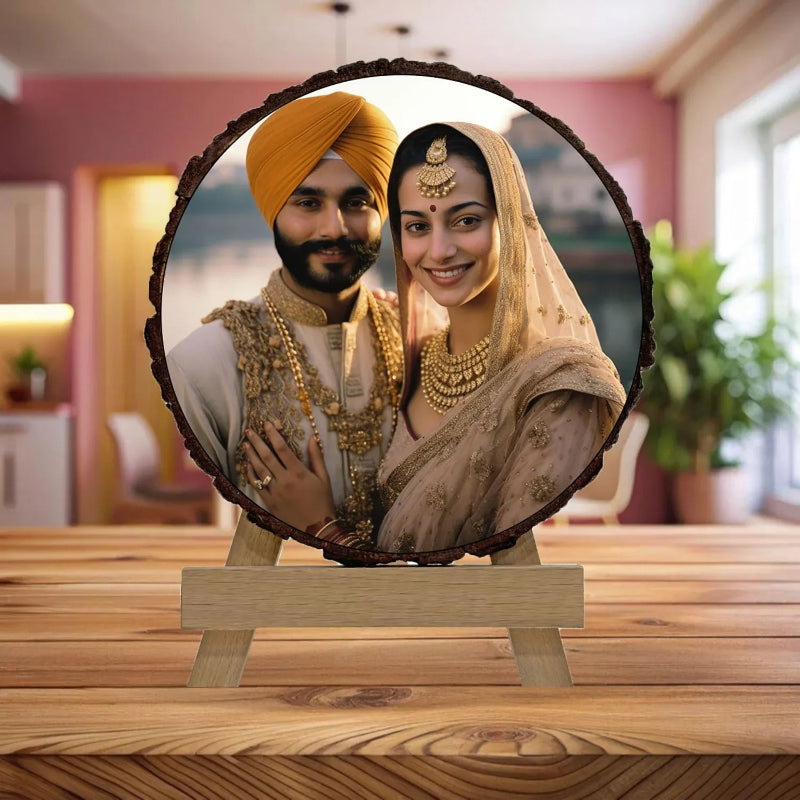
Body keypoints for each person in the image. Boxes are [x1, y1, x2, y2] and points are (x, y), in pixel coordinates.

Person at [243, 122, 626, 555]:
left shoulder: (559, 385)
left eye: (466, 220)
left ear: (510, 221)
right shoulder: (413, 356)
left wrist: (321, 525)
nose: (440, 250)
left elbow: (502, 581)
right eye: (417, 226)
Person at [167, 92, 402, 544]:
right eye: (308, 203)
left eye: (357, 202)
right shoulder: (203, 363)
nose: (334, 228)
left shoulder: (422, 340)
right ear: (273, 211)